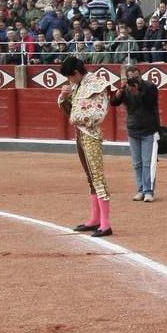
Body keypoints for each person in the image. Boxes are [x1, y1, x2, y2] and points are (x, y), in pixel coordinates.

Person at [57, 57, 114, 237]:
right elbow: (69, 110)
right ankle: (95, 219)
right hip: (80, 135)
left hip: (91, 135)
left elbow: (99, 114)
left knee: (97, 176)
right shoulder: (77, 85)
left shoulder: (98, 84)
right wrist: (64, 97)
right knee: (90, 177)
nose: (69, 81)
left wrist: (77, 119)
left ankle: (105, 224)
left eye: (69, 77)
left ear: (76, 73)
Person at [111, 65, 160, 202]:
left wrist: (137, 91)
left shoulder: (150, 87)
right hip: (133, 130)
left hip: (149, 130)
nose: (134, 79)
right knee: (137, 163)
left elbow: (149, 103)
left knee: (147, 163)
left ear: (140, 75)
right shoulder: (125, 88)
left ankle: (148, 190)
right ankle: (140, 189)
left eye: (136, 77)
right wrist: (120, 90)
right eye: (130, 77)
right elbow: (113, 103)